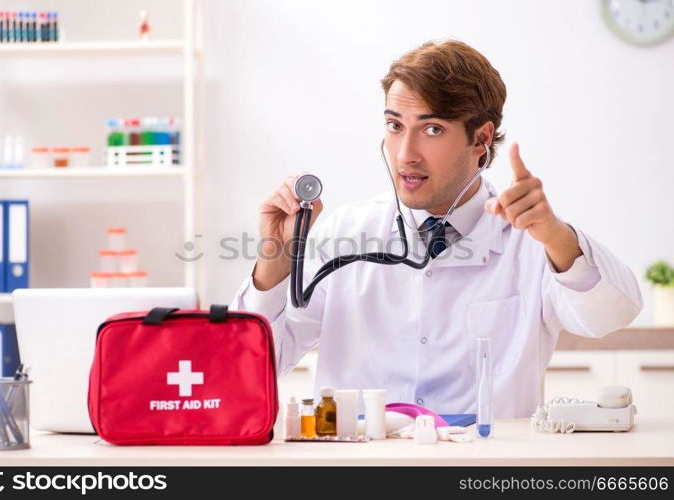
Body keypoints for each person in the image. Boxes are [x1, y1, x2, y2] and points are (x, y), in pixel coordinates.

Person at [230, 40, 642, 417]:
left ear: (480, 138)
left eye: (431, 129)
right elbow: (249, 367)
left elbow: (613, 314)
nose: (405, 154)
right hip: (361, 468)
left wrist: (555, 235)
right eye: (394, 126)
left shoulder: (531, 241)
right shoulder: (346, 232)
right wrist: (275, 259)